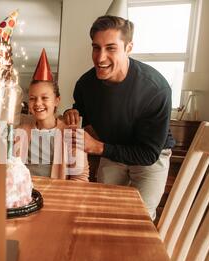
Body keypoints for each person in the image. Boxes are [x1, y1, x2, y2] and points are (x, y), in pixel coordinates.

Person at [64, 13, 175, 221]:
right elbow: (82, 112)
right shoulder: (84, 85)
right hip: (113, 151)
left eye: (111, 48)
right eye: (96, 47)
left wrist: (97, 147)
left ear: (129, 48)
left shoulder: (155, 89)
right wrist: (72, 114)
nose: (100, 57)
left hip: (149, 157)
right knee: (103, 212)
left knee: (138, 218)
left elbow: (148, 154)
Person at [15, 49, 89, 182]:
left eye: (44, 98)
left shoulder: (71, 133)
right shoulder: (20, 130)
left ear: (56, 100)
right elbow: (10, 169)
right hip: (25, 195)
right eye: (32, 98)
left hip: (57, 194)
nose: (38, 103)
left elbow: (80, 178)